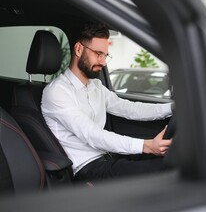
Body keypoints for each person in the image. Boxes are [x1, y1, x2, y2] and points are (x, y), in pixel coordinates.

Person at [41, 21, 173, 182]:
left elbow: (128, 108)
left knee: (170, 162)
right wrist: (146, 146)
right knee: (165, 170)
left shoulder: (95, 85)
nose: (103, 62)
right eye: (98, 53)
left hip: (107, 158)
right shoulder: (57, 92)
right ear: (78, 49)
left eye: (105, 55)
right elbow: (92, 134)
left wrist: (172, 108)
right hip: (87, 169)